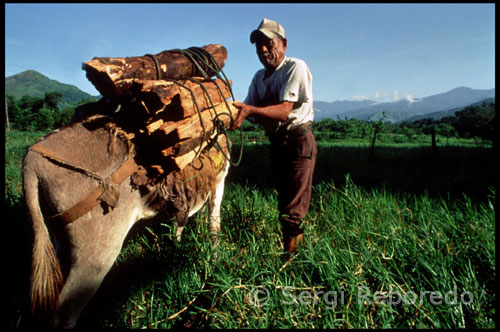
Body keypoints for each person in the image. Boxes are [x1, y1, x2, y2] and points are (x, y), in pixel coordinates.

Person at [231, 18, 317, 254]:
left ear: (283, 44)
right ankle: (292, 252)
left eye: (268, 43)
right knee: (284, 202)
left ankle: (290, 263)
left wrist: (249, 111)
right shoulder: (259, 77)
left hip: (298, 142)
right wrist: (230, 114)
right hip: (278, 144)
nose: (263, 50)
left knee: (294, 207)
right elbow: (246, 109)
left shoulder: (294, 67)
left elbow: (283, 111)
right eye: (259, 45)